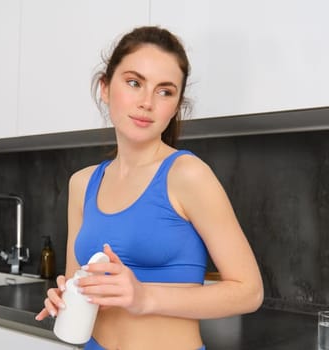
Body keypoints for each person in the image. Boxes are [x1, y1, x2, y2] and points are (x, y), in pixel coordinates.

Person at [35, 26, 263, 350]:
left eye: (165, 91)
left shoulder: (188, 175)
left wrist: (144, 297)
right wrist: (66, 294)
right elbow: (81, 282)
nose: (146, 102)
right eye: (134, 82)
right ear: (105, 87)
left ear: (176, 106)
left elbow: (249, 291)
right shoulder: (82, 183)